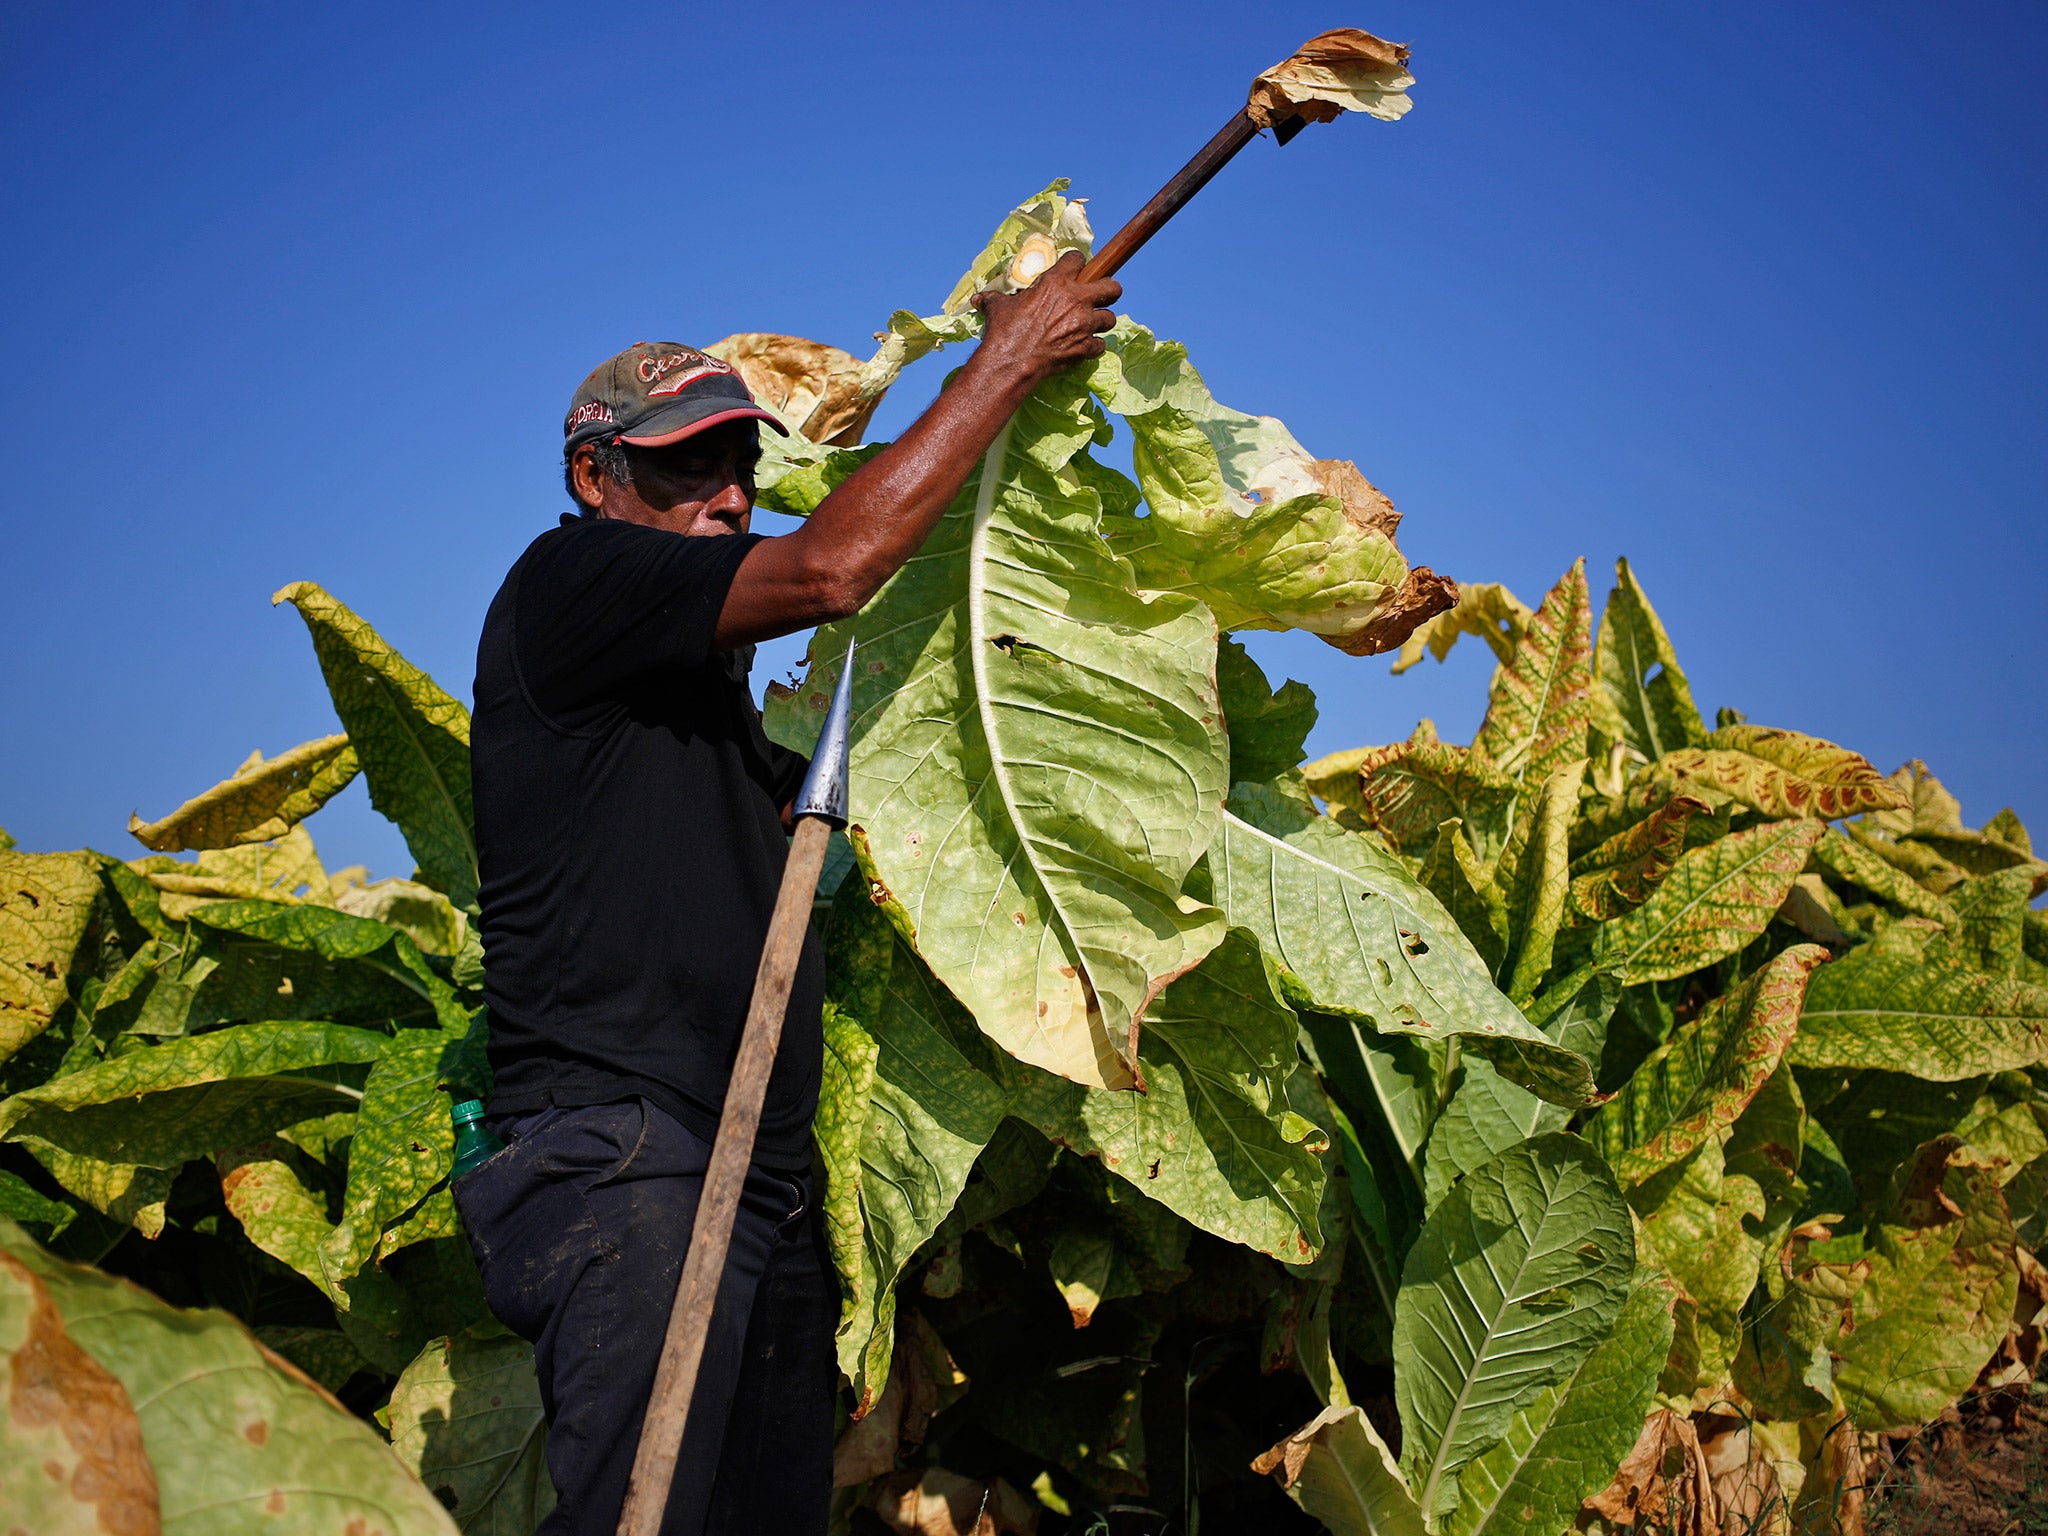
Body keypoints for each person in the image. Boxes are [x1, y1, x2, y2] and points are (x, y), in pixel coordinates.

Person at [454, 251, 1121, 1536]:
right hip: (622, 1152)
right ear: (597, 480)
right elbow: (833, 570)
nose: (725, 497)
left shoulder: (690, 710)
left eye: (739, 468)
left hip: (750, 1165)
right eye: (683, 467)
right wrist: (1004, 362)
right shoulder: (566, 585)